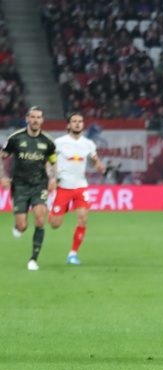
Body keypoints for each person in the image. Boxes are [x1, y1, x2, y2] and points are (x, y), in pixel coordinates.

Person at [0, 106, 57, 270]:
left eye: (38, 117)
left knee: (40, 218)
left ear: (42, 120)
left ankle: (33, 259)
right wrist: (2, 176)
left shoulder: (48, 142)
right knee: (22, 226)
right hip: (19, 186)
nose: (35, 120)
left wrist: (54, 178)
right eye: (32, 117)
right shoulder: (16, 138)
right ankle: (18, 226)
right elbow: (2, 156)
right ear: (27, 119)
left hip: (40, 185)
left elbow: (54, 161)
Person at [48, 112, 106, 264]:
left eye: (80, 121)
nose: (78, 124)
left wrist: (98, 165)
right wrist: (51, 177)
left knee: (83, 219)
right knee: (55, 224)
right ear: (68, 125)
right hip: (63, 186)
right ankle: (54, 210)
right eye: (74, 121)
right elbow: (49, 160)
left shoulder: (88, 143)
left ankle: (73, 254)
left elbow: (94, 158)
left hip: (81, 186)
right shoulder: (59, 142)